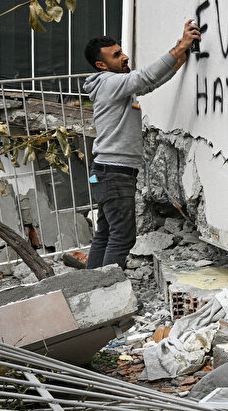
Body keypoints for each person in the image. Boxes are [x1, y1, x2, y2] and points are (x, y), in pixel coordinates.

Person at [82, 21, 200, 269]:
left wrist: (180, 57)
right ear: (101, 65)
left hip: (106, 173)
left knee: (105, 233)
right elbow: (146, 76)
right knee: (123, 237)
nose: (125, 57)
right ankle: (108, 294)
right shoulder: (110, 83)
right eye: (116, 55)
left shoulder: (118, 87)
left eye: (121, 50)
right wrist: (180, 46)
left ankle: (92, 287)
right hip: (114, 174)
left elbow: (150, 83)